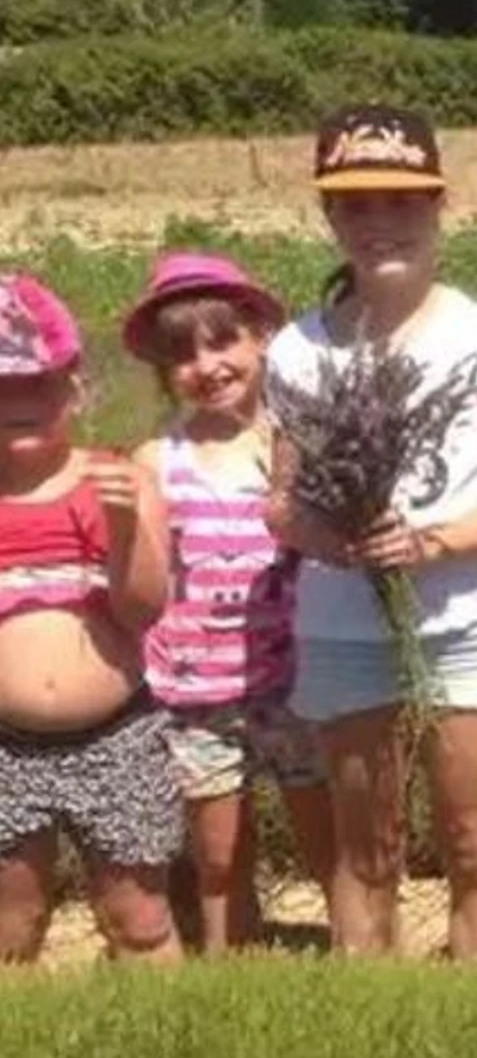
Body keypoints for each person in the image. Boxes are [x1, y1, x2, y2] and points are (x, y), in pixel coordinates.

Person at [265, 105, 477, 961]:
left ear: (437, 205)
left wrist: (433, 542)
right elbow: (281, 503)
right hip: (345, 629)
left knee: (474, 840)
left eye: (401, 200)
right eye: (356, 205)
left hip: (462, 625)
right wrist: (334, 538)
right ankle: (372, 1010)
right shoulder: (298, 349)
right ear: (329, 216)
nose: (379, 221)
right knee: (369, 850)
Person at [124, 252, 334, 952]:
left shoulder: (296, 445)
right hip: (197, 691)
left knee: (328, 839)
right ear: (164, 369)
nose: (207, 366)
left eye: (222, 342)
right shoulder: (157, 460)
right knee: (218, 860)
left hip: (300, 683)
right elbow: (146, 575)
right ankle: (229, 970)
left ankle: (362, 956)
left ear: (260, 337)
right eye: (183, 355)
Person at [0, 274, 179, 964]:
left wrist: (124, 525)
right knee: (12, 920)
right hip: (6, 744)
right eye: (2, 386)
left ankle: (177, 1031)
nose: (18, 402)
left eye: (36, 383)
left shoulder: (119, 479)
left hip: (117, 733)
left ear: (74, 388)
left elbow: (141, 611)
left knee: (138, 917)